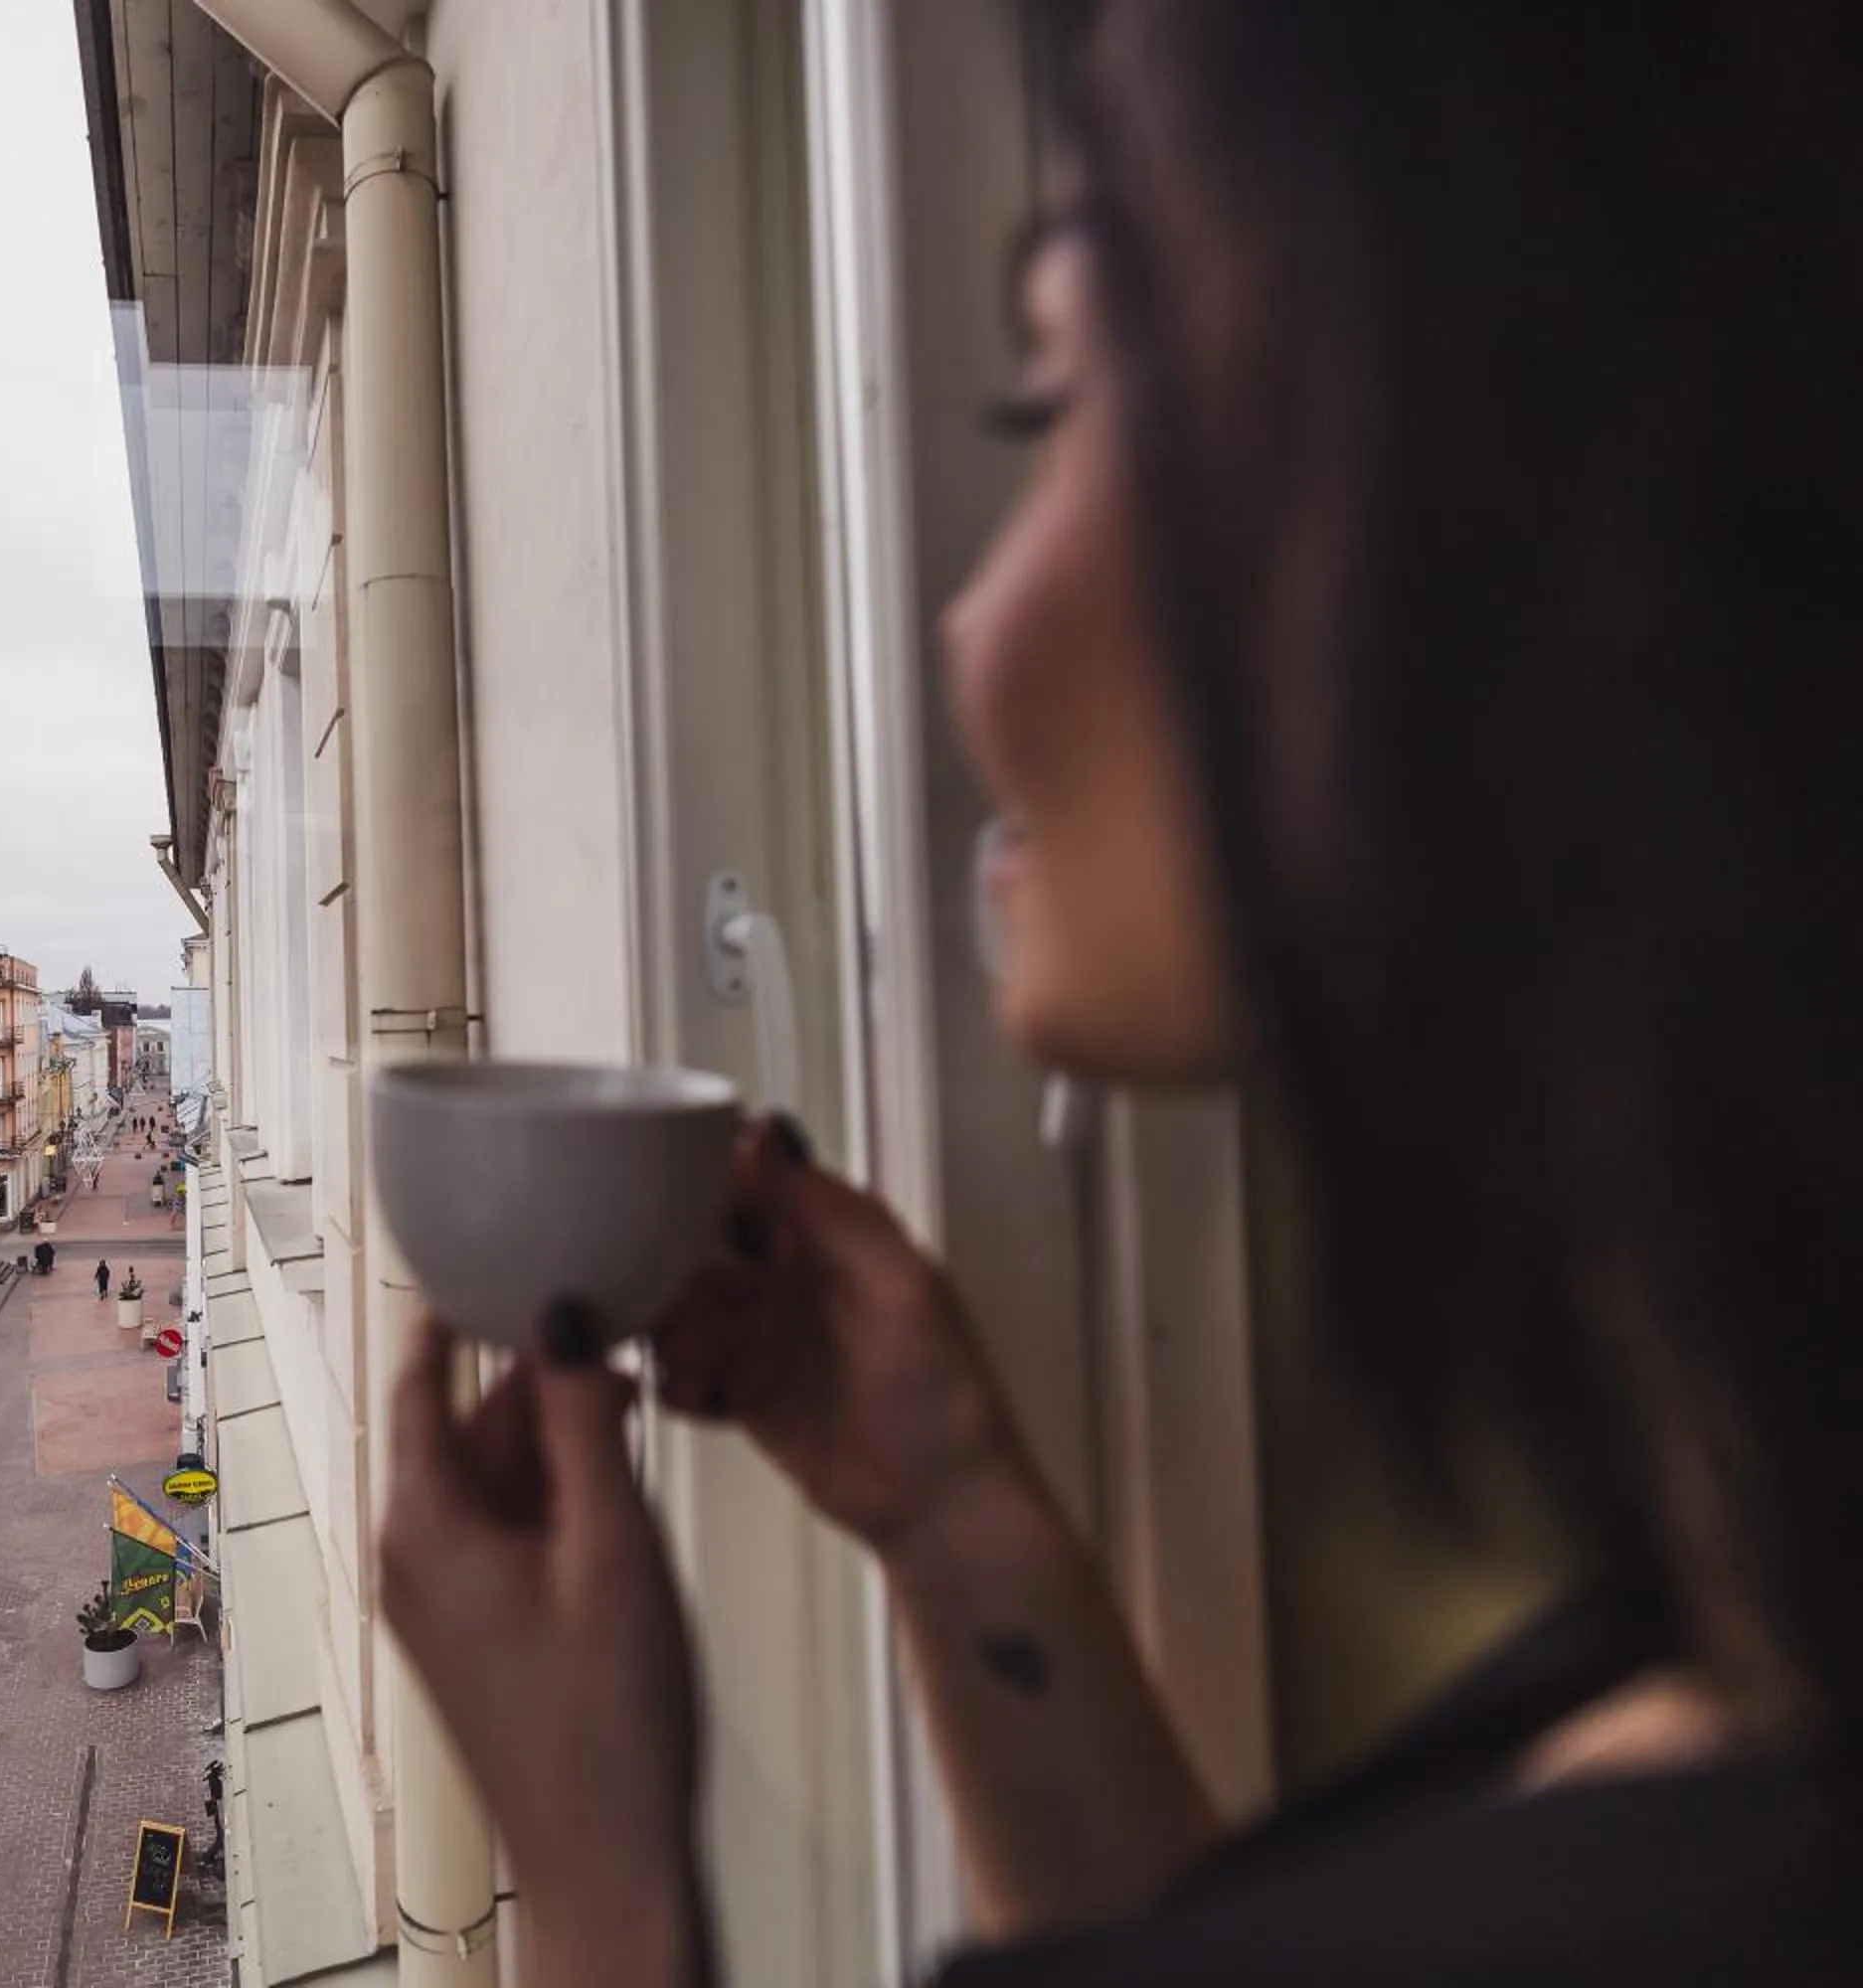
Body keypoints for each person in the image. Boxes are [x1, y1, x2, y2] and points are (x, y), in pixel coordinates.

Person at [376, 7, 1863, 1985]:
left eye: (1055, 393)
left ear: (1507, 481)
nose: (971, 619)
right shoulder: (1743, 1631)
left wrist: (598, 1877)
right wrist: (953, 1511)